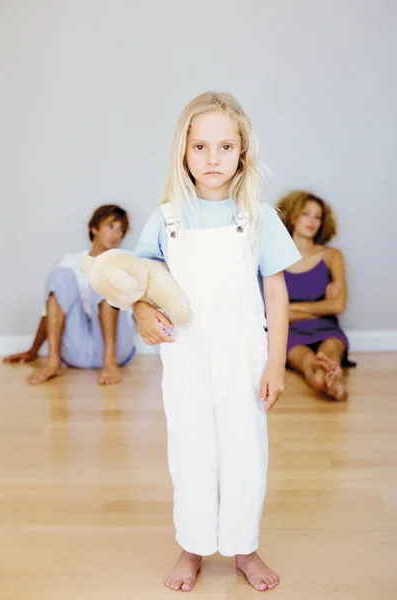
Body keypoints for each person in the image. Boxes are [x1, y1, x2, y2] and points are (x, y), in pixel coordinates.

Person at [132, 92, 301, 592]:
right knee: (191, 450)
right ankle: (193, 546)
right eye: (200, 146)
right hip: (186, 360)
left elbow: (276, 291)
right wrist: (141, 310)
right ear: (183, 152)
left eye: (225, 146)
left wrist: (276, 365)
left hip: (244, 357)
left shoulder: (259, 216)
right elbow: (141, 280)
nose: (212, 158)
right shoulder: (166, 218)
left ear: (242, 151)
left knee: (245, 450)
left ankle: (244, 547)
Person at [3, 204, 136, 385]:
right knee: (61, 275)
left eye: (121, 230)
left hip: (117, 348)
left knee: (105, 271)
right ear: (94, 228)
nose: (116, 234)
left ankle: (109, 362)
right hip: (79, 350)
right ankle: (53, 363)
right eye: (110, 226)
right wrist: (33, 350)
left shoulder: (127, 258)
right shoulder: (71, 262)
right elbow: (51, 310)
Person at [277, 190, 355, 402]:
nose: (312, 221)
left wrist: (293, 310)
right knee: (307, 361)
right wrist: (322, 306)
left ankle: (333, 379)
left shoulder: (332, 256)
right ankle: (325, 381)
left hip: (326, 328)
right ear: (292, 216)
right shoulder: (275, 257)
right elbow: (272, 315)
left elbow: (338, 306)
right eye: (306, 214)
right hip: (288, 331)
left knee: (330, 353)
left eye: (317, 216)